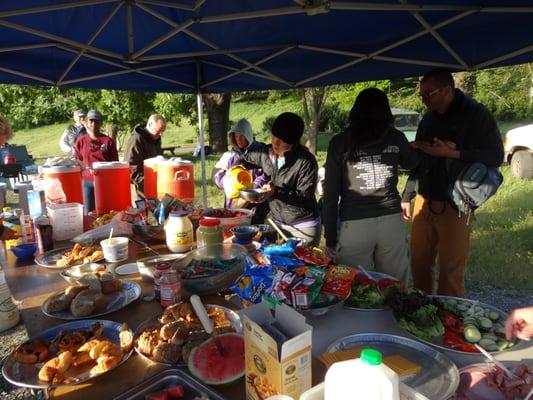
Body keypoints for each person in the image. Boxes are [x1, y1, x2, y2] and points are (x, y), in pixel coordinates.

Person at [401, 68, 504, 296]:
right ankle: (422, 314)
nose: (423, 99)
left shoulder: (476, 114)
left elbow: (496, 156)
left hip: (456, 205)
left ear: (447, 89)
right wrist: (407, 195)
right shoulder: (428, 118)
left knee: (450, 272)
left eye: (428, 93)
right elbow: (421, 158)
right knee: (418, 264)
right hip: (424, 199)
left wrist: (454, 154)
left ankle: (450, 324)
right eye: (421, 94)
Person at [322, 88, 421, 283]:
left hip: (355, 224)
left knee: (354, 286)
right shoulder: (396, 138)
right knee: (396, 285)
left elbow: (331, 195)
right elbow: (418, 165)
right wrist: (407, 195)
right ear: (386, 113)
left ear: (355, 112)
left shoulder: (339, 142)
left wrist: (331, 240)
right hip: (391, 221)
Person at [239, 112, 320, 245]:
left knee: (303, 265)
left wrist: (275, 191)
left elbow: (304, 196)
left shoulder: (305, 161)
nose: (276, 142)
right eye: (274, 136)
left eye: (282, 140)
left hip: (304, 227)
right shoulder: (265, 153)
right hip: (278, 225)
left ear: (293, 142)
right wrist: (236, 171)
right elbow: (243, 160)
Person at [212, 118, 269, 224]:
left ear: (248, 135)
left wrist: (253, 187)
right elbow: (216, 175)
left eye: (242, 136)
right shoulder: (229, 156)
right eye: (236, 136)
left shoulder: (262, 152)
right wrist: (226, 182)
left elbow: (268, 174)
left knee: (255, 231)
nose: (239, 139)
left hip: (256, 206)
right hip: (234, 207)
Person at [73, 110, 119, 213]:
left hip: (105, 182)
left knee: (106, 211)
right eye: (91, 121)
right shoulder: (81, 141)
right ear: (86, 122)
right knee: (89, 212)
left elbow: (115, 165)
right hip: (87, 182)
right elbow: (77, 162)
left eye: (96, 121)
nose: (93, 124)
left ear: (101, 123)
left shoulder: (108, 141)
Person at [123, 114, 167, 199]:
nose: (161, 134)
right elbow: (130, 170)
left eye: (163, 131)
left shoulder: (156, 139)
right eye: (158, 130)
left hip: (155, 188)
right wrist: (148, 180)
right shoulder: (136, 140)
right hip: (138, 190)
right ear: (150, 124)